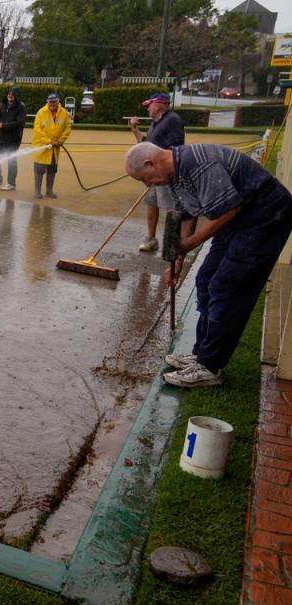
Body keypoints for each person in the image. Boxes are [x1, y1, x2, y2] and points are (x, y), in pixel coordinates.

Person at [125, 141, 292, 388]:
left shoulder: (197, 163)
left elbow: (228, 210)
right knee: (205, 279)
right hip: (238, 219)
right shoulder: (174, 175)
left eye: (144, 178)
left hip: (265, 216)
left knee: (228, 287)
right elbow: (187, 216)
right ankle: (202, 354)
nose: (147, 185)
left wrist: (189, 245)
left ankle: (210, 367)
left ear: (150, 163)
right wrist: (177, 261)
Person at [129, 92, 185, 252]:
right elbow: (145, 144)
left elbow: (176, 149)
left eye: (149, 106)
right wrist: (135, 129)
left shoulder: (172, 120)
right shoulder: (156, 123)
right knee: (151, 203)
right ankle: (151, 238)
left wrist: (162, 168)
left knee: (170, 206)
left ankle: (172, 242)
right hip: (152, 173)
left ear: (159, 104)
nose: (147, 109)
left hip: (164, 174)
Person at [32, 93, 72, 199]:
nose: (52, 104)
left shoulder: (64, 113)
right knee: (39, 169)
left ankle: (49, 191)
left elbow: (67, 128)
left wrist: (60, 141)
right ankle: (37, 191)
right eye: (50, 102)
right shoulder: (41, 112)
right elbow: (37, 130)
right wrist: (48, 141)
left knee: (52, 169)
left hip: (55, 147)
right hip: (41, 146)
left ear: (58, 101)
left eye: (54, 101)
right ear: (47, 102)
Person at [0, 87, 27, 192]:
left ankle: (11, 183)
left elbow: (20, 124)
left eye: (12, 94)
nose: (10, 96)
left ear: (16, 96)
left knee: (11, 161)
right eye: (9, 94)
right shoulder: (2, 105)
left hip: (14, 139)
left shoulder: (21, 107)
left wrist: (3, 125)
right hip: (1, 137)